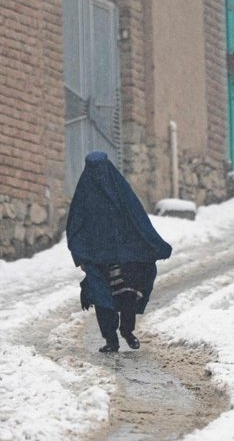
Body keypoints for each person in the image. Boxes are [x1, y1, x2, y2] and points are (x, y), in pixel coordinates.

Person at [66, 151, 173, 353]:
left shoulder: (120, 191)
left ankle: (127, 331)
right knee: (102, 298)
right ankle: (110, 339)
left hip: (126, 255)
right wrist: (80, 254)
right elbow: (75, 227)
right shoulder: (84, 195)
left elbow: (137, 218)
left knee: (128, 295)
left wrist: (150, 244)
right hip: (97, 257)